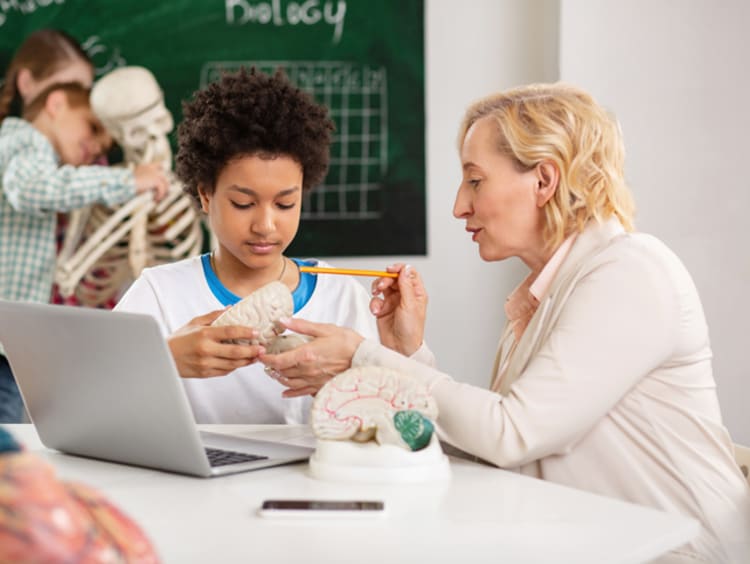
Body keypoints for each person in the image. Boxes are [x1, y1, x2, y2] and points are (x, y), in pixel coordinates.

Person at [260, 83, 750, 562]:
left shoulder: (631, 271)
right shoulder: (542, 297)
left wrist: (363, 357)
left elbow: (510, 434)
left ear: (544, 180)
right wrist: (406, 354)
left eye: (475, 180)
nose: (459, 205)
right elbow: (494, 456)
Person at [114, 68, 378, 425]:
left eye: (285, 204)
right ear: (206, 195)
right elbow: (83, 398)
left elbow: (398, 415)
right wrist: (164, 358)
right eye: (243, 203)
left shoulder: (342, 295)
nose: (265, 225)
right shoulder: (159, 293)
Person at [0, 74, 169, 424]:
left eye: (105, 145)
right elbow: (29, 189)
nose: (96, 146)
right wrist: (128, 180)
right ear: (56, 104)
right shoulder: (25, 142)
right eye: (92, 128)